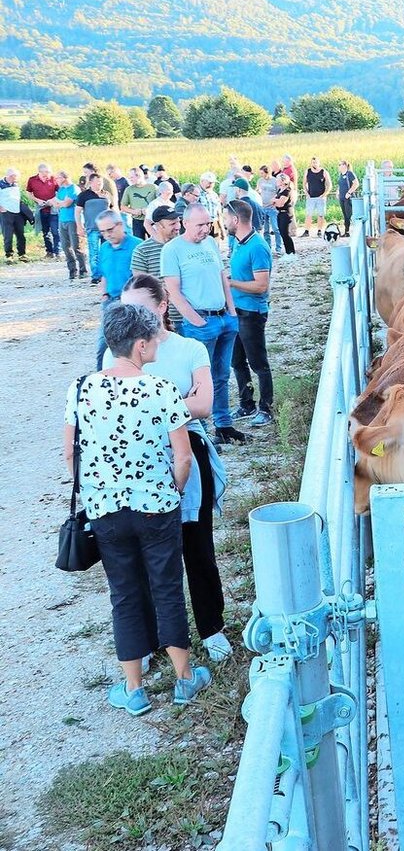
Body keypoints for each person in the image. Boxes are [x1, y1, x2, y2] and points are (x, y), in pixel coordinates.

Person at [64, 303, 211, 715]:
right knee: (166, 585)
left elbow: (71, 455)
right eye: (154, 338)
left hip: (106, 508)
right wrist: (174, 491)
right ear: (141, 345)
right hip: (156, 505)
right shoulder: (161, 389)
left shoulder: (80, 388)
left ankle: (133, 688)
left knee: (124, 593)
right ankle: (184, 678)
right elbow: (183, 457)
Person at [103, 273, 232, 665]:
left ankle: (211, 627)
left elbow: (206, 405)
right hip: (137, 460)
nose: (131, 316)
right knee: (144, 555)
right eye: (125, 308)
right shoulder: (115, 353)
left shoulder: (190, 348)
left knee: (197, 547)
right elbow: (110, 407)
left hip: (186, 452)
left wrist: (146, 405)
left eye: (139, 307)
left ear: (161, 307)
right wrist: (177, 400)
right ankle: (148, 639)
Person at [160, 205, 246, 445]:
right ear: (185, 223)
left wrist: (231, 312)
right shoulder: (172, 250)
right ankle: (201, 431)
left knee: (221, 374)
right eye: (199, 225)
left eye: (207, 224)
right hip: (200, 320)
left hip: (223, 318)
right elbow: (173, 290)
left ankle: (224, 424)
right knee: (199, 379)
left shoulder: (210, 244)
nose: (205, 229)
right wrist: (195, 319)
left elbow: (222, 277)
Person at [225, 200, 275, 428]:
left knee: (258, 363)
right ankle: (247, 403)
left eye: (226, 218)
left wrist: (231, 283)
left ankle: (266, 408)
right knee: (237, 361)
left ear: (236, 220)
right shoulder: (238, 242)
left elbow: (261, 285)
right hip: (237, 311)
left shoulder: (257, 247)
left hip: (252, 313)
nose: (224, 222)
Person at [93, 209, 140, 369]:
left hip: (132, 303)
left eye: (110, 230)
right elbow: (104, 274)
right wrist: (104, 294)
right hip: (111, 303)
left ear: (120, 225)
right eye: (102, 232)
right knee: (103, 347)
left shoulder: (137, 246)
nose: (107, 235)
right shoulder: (104, 248)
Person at [75, 172, 110, 283]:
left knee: (106, 252)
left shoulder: (106, 194)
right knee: (94, 252)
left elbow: (112, 210)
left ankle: (107, 274)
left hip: (107, 228)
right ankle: (96, 276)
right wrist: (79, 226)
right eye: (98, 182)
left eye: (101, 182)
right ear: (91, 182)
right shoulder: (84, 195)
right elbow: (77, 212)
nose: (100, 184)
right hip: (92, 228)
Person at [53, 170, 88, 280]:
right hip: (62, 219)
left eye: (58, 178)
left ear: (63, 178)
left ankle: (83, 270)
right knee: (65, 247)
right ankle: (72, 271)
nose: (56, 180)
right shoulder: (61, 190)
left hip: (72, 220)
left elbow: (67, 203)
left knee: (76, 246)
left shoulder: (73, 188)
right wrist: (59, 203)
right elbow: (55, 203)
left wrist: (59, 203)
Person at [26, 163, 60, 257]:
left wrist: (52, 200)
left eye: (49, 172)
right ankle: (49, 252)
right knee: (45, 232)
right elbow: (28, 193)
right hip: (41, 209)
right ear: (40, 172)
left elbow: (60, 192)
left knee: (55, 231)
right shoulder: (32, 180)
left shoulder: (54, 179)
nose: (48, 174)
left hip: (53, 209)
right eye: (46, 172)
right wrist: (37, 200)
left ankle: (58, 252)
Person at [120, 166, 159, 239]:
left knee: (155, 240)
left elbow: (160, 203)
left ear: (139, 176)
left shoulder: (153, 187)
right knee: (138, 243)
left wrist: (149, 210)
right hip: (137, 222)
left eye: (132, 177)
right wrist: (134, 211)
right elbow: (123, 207)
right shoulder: (129, 189)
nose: (130, 179)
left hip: (152, 220)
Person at [1, 168, 28, 263]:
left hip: (17, 212)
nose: (16, 179)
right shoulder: (1, 184)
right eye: (15, 177)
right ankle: (9, 255)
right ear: (10, 176)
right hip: (6, 213)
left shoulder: (15, 184)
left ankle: (22, 254)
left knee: (21, 234)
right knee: (8, 235)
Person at [303, 157, 331, 238]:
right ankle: (307, 231)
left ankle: (319, 231)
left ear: (319, 163)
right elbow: (304, 183)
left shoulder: (324, 172)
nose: (314, 164)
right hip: (310, 197)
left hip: (320, 197)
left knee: (321, 215)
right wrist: (306, 193)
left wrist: (324, 194)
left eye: (315, 162)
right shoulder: (307, 171)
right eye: (312, 162)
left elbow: (329, 184)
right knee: (308, 214)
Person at [272, 173, 297, 256]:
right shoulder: (280, 190)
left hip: (285, 213)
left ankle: (291, 252)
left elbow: (280, 203)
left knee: (285, 233)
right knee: (283, 233)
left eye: (278, 180)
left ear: (282, 181)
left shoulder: (287, 191)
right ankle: (288, 251)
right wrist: (275, 201)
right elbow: (272, 201)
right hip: (280, 213)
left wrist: (275, 201)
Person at [337, 160, 359, 230]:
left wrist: (349, 193)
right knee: (345, 215)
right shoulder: (341, 175)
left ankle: (355, 230)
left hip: (348, 198)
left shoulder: (349, 173)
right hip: (342, 197)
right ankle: (347, 231)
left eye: (340, 164)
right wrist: (337, 192)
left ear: (344, 165)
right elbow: (340, 185)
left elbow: (356, 184)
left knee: (349, 215)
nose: (339, 166)